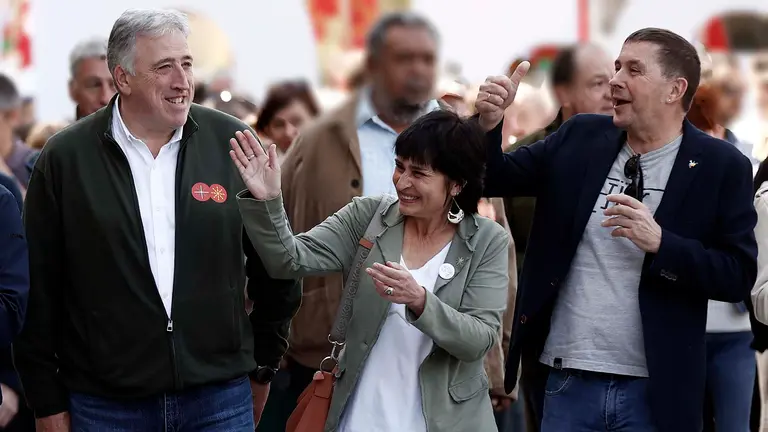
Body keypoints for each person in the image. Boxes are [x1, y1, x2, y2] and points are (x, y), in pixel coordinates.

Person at [13, 8, 300, 431]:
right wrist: (46, 402)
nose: (182, 81)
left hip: (218, 398)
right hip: (105, 406)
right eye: (164, 67)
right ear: (123, 78)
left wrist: (263, 366)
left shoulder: (233, 143)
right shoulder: (65, 158)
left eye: (186, 64)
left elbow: (276, 264)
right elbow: (38, 290)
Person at [476, 27, 757, 432]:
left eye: (634, 70)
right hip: (567, 380)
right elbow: (492, 178)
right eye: (616, 67)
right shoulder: (580, 137)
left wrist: (661, 244)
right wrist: (489, 124)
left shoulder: (721, 166)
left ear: (674, 89)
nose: (615, 80)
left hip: (657, 390)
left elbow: (737, 276)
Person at [231, 110, 510, 431]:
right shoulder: (369, 216)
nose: (402, 182)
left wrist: (420, 300)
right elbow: (288, 258)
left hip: (446, 420)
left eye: (419, 174)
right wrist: (268, 199)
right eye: (399, 166)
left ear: (457, 185)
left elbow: (479, 340)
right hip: (362, 414)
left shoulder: (487, 241)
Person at [254, 79, 320, 159]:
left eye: (297, 121)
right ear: (268, 131)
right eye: (278, 125)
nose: (288, 132)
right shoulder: (263, 167)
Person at [68, 37, 115, 121]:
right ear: (72, 90)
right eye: (94, 85)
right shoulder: (56, 133)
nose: (105, 98)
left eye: (115, 85)